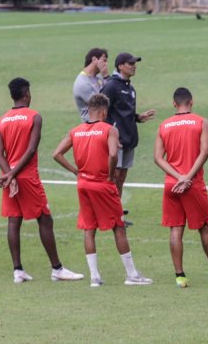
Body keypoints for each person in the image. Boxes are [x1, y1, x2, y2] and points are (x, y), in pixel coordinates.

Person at [51, 93, 153, 286]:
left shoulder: (76, 131)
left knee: (89, 229)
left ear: (89, 110)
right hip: (103, 184)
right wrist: (111, 172)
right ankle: (132, 275)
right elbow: (114, 154)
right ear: (104, 111)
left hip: (83, 184)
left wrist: (75, 171)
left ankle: (94, 277)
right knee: (119, 227)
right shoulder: (108, 130)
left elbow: (56, 154)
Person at [0, 78, 82, 283]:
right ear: (26, 94)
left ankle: (18, 271)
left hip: (9, 176)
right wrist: (14, 175)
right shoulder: (34, 117)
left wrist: (8, 175)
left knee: (14, 221)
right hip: (26, 176)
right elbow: (31, 149)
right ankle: (57, 269)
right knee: (44, 219)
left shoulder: (2, 119)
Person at [152, 87, 208, 288]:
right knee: (205, 230)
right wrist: (187, 177)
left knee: (175, 229)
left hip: (171, 185)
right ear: (192, 102)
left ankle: (180, 277)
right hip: (193, 185)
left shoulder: (163, 125)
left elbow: (157, 158)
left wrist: (177, 177)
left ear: (174, 104)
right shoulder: (201, 122)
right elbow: (204, 153)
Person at [100, 52, 157, 223]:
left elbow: (124, 113)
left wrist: (139, 117)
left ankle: (116, 212)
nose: (134, 66)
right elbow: (101, 112)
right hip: (116, 141)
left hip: (129, 139)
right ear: (120, 66)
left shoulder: (129, 87)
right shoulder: (111, 86)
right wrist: (108, 136)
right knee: (114, 176)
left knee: (121, 177)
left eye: (134, 63)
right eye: (130, 63)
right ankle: (111, 214)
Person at [73, 48, 109, 121]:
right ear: (94, 59)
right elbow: (102, 105)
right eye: (104, 60)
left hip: (102, 124)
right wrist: (106, 76)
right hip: (92, 128)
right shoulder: (82, 83)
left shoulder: (98, 78)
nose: (106, 64)